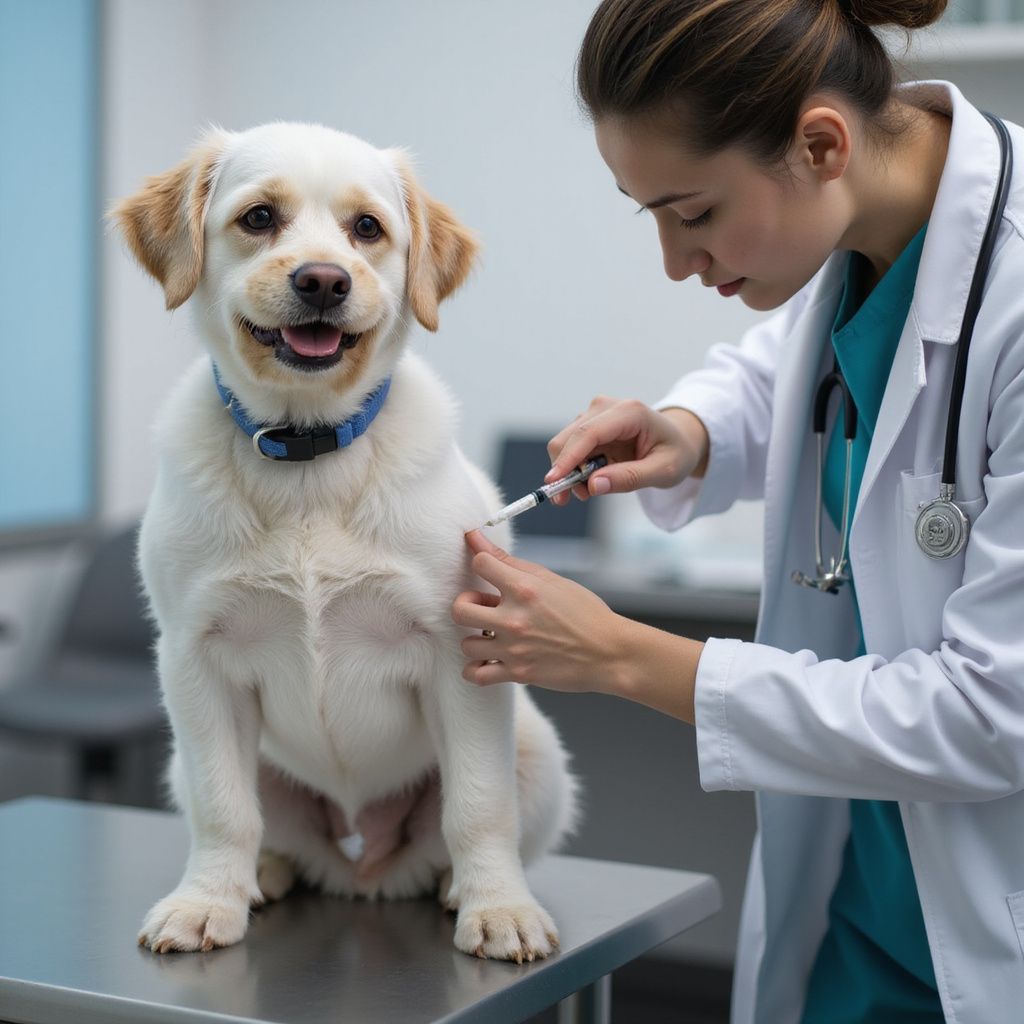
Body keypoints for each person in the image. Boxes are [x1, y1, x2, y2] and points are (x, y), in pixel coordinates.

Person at [450, 1, 1024, 1021]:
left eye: (694, 212)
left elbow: (992, 714)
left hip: (989, 937)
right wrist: (687, 429)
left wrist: (623, 656)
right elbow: (778, 377)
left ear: (819, 144)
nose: (677, 260)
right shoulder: (862, 234)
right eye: (654, 216)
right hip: (863, 915)